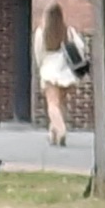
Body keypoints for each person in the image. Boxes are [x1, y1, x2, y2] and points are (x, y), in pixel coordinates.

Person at [38, 10, 87, 145]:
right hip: (66, 72)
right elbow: (80, 47)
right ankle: (53, 133)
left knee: (52, 104)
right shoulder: (69, 31)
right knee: (60, 103)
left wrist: (40, 67)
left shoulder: (42, 32)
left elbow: (39, 53)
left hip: (50, 70)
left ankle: (61, 130)